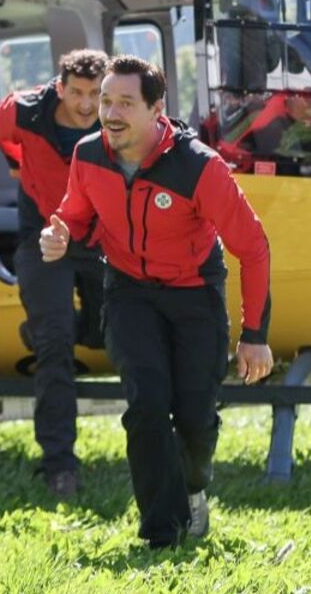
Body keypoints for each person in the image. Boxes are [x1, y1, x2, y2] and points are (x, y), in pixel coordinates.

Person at [41, 55, 276, 548]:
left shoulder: (199, 167)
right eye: (106, 101)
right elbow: (74, 213)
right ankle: (161, 534)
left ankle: (193, 487)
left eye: (125, 103)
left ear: (156, 109)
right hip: (128, 292)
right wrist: (58, 234)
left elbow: (253, 247)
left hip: (195, 293)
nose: (111, 113)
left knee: (194, 417)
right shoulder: (88, 155)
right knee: (146, 404)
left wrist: (254, 335)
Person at [0, 48, 109, 497]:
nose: (86, 104)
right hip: (42, 234)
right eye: (76, 93)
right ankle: (60, 465)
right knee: (55, 346)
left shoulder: (117, 118)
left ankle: (43, 328)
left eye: (95, 94)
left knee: (107, 331)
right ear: (60, 88)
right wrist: (22, 164)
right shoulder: (24, 112)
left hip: (97, 237)